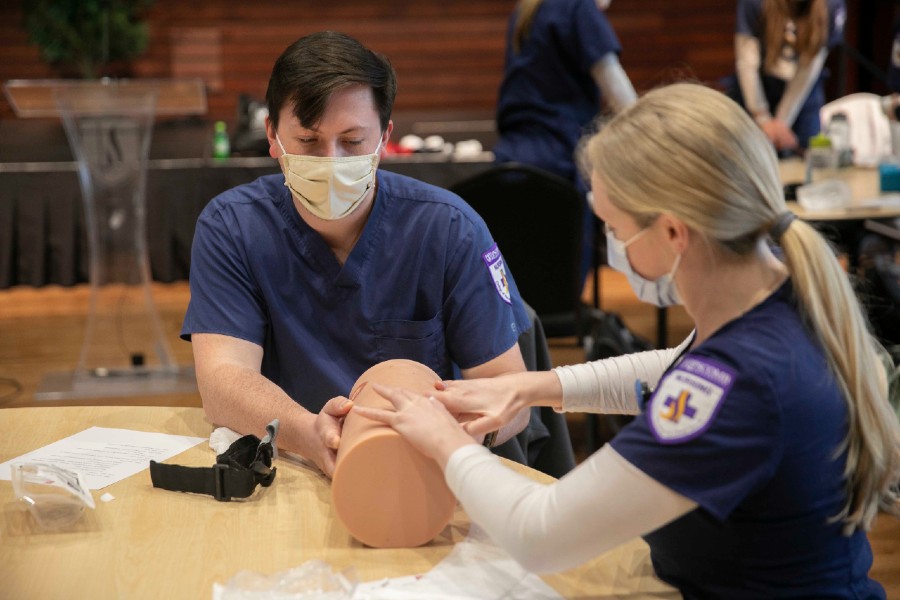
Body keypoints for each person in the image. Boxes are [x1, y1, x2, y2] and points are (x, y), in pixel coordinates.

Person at [355, 83, 900, 597]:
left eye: (615, 230)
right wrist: (527, 388)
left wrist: (444, 443)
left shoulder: (740, 383)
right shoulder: (778, 295)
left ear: (672, 232)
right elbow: (675, 367)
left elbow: (540, 535)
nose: (613, 248)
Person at [181, 31, 533, 478]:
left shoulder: (447, 229)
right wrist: (312, 434)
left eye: (352, 141)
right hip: (291, 464)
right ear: (272, 135)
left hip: (420, 470)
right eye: (308, 142)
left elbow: (511, 394)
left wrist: (460, 437)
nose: (330, 161)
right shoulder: (233, 227)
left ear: (385, 137)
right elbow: (222, 383)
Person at [493, 0, 637, 283]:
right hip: (559, 162)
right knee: (561, 293)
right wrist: (656, 136)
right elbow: (616, 86)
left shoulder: (527, 10)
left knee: (524, 288)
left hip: (510, 160)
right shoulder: (578, 7)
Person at [727, 0, 847, 153]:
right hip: (758, 90)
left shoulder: (831, 5)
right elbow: (747, 64)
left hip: (803, 93)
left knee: (809, 155)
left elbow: (809, 68)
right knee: (747, 154)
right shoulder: (754, 3)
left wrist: (781, 123)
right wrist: (762, 118)